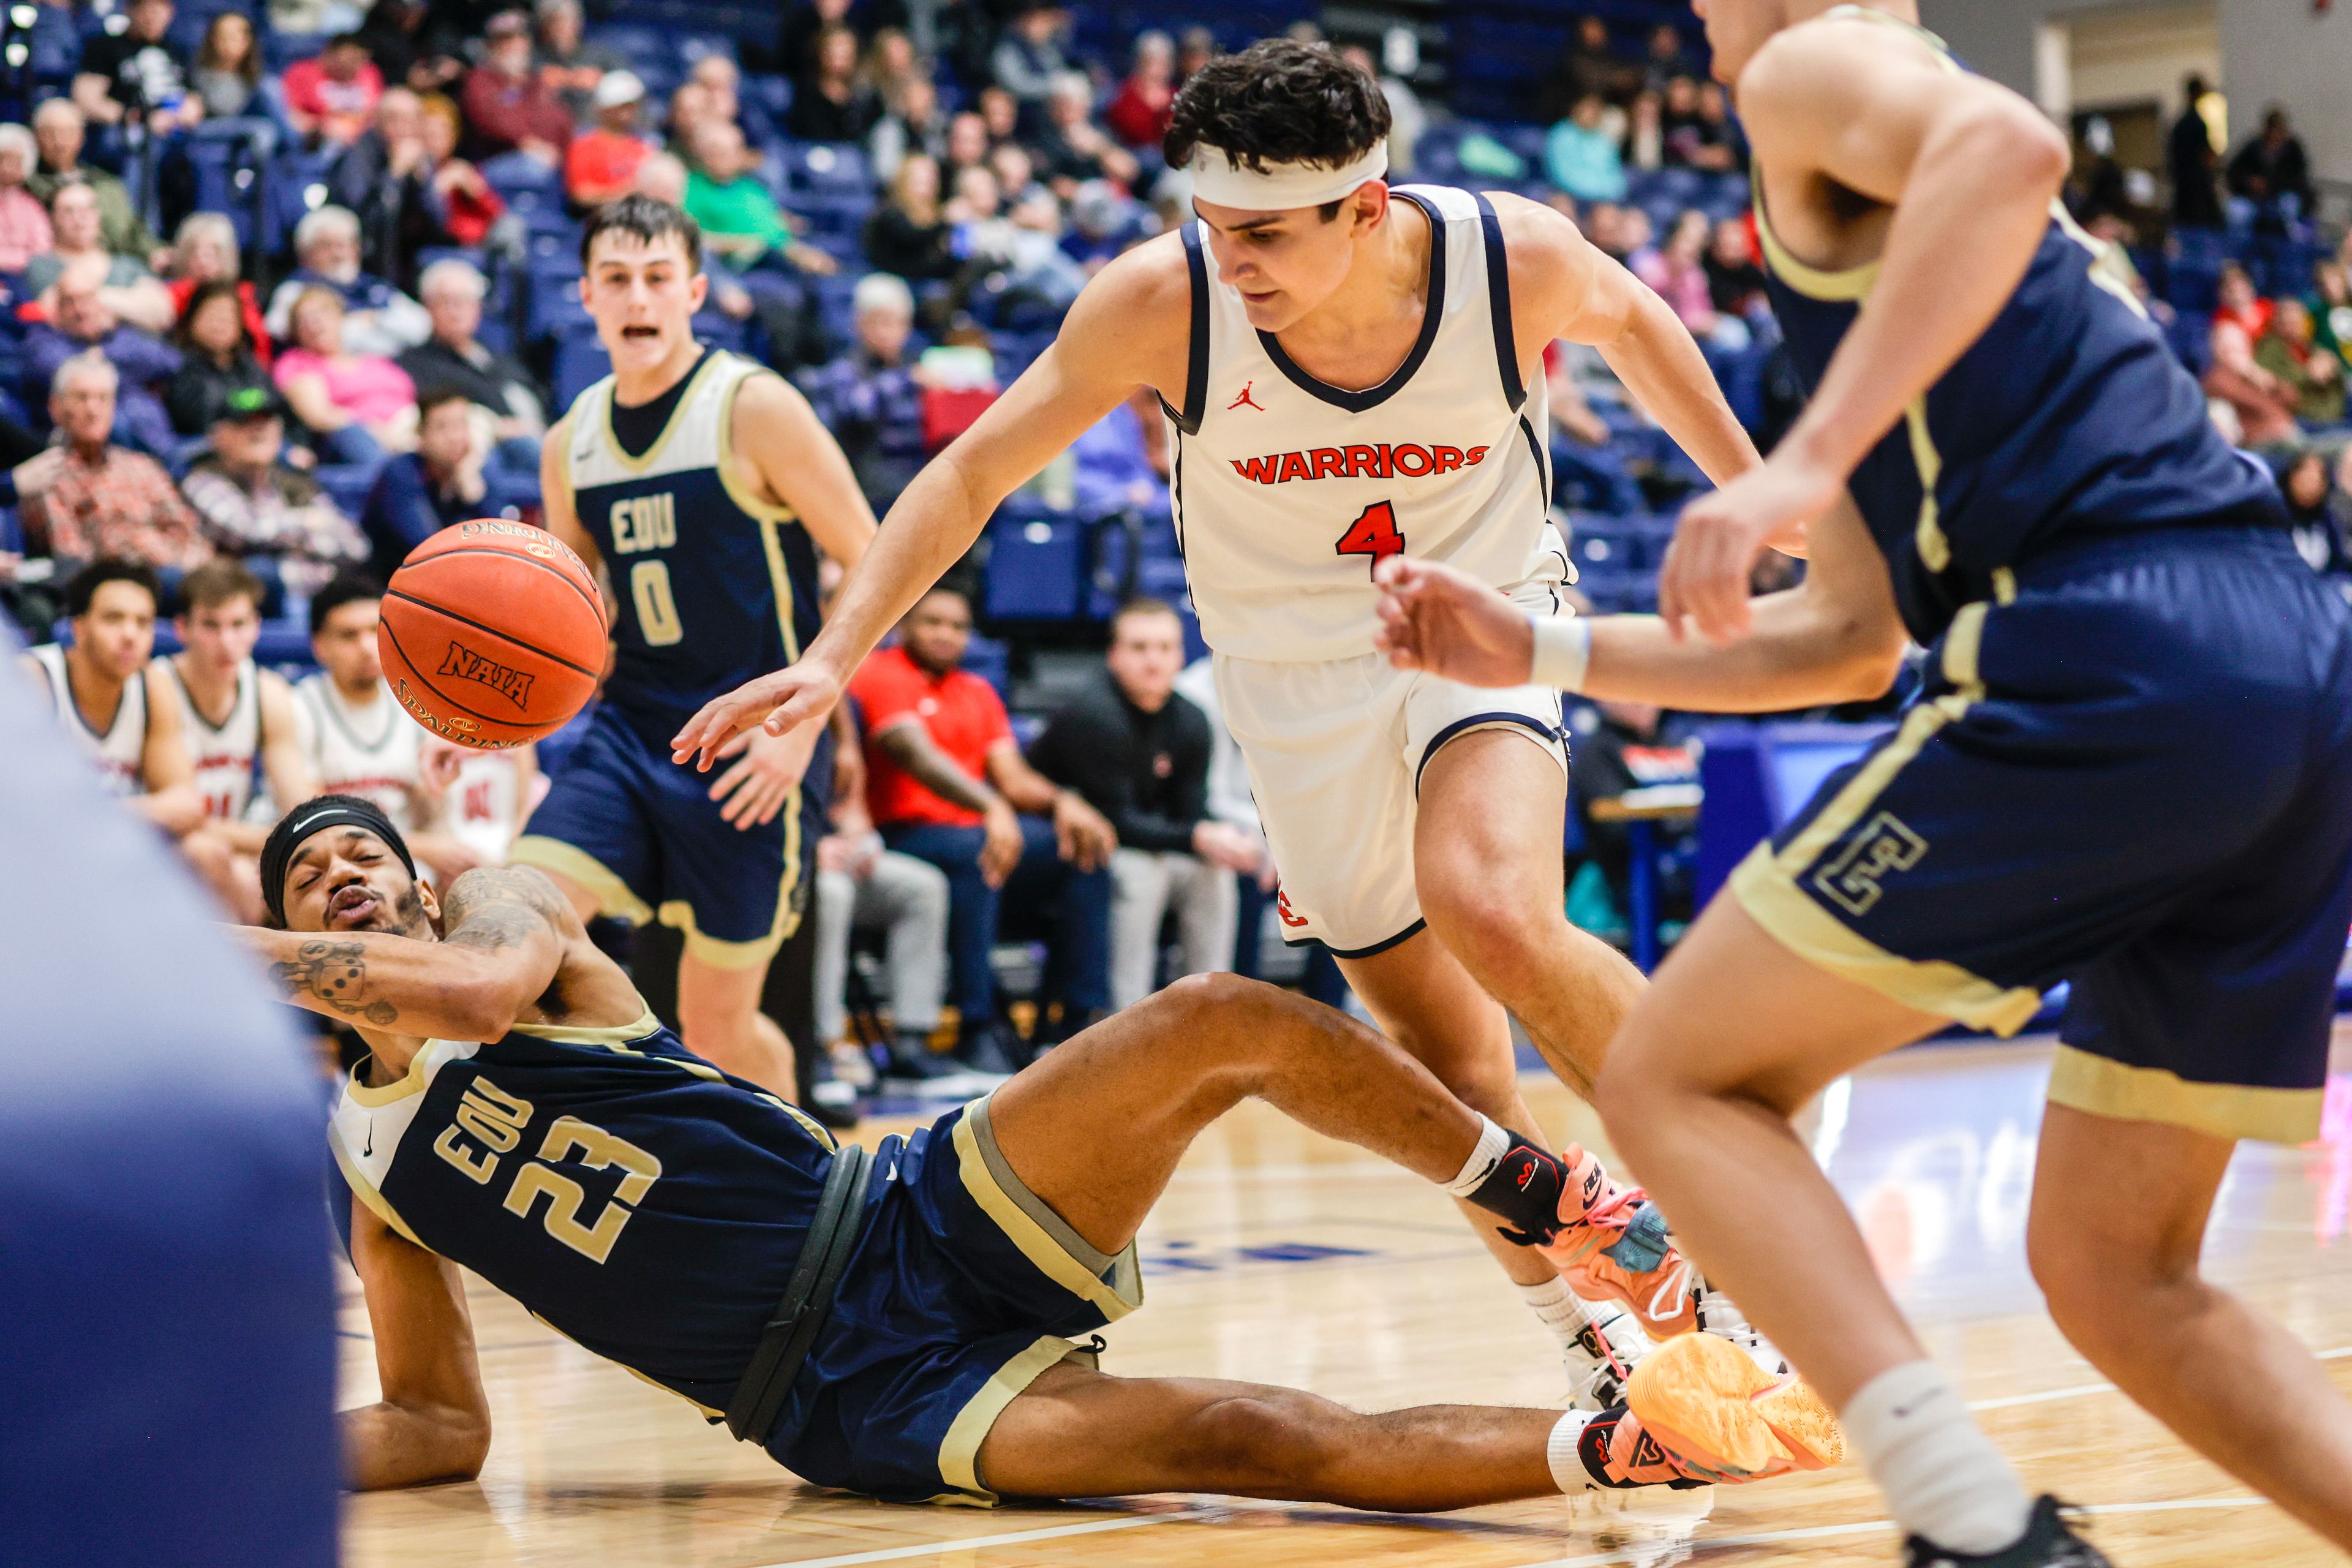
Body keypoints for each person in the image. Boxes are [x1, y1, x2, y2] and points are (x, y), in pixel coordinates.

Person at [1371, 4, 2352, 1564]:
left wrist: (1800, 457)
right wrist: (1533, 650)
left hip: (2111, 645)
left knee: (1675, 1075)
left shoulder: (1812, 68)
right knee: (2119, 1273)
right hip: (2284, 662)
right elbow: (1841, 638)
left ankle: (1970, 1525)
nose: (1694, 14)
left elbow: (2017, 143)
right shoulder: (1885, 179)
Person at [674, 38, 1764, 1401]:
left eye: (1260, 231)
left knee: (1489, 900)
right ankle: (1607, 1344)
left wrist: (1757, 490)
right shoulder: (1161, 300)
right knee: (1458, 1062)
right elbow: (972, 474)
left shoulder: (1510, 257)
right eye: (1208, 220)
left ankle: (1748, 1214)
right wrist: (836, 658)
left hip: (1477, 612)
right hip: (1289, 683)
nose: (1225, 253)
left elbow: (1641, 326)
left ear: (1366, 208)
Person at [240, 802, 1834, 1509]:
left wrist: (223, 935)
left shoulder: (510, 918)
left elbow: (482, 989)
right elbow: (441, 1425)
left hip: (903, 1219)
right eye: (311, 871)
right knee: (1245, 1436)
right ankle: (1645, 1445)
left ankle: (1565, 1206)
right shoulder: (370, 1158)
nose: (347, 875)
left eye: (365, 851)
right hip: (844, 1401)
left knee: (1224, 1014)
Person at [511, 195, 878, 1099]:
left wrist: (804, 725)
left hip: (752, 741)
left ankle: (806, 1189)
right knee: (510, 926)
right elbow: (578, 621)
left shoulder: (753, 407)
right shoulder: (572, 443)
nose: (639, 297)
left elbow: (875, 559)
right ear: (587, 297)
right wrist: (488, 716)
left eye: (657, 278)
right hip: (632, 734)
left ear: (695, 292)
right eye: (618, 280)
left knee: (718, 1030)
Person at [849, 587, 1117, 1071]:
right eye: (932, 622)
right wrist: (992, 806)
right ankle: (976, 1026)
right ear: (904, 625)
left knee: (1081, 850)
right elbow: (915, 755)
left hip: (976, 833)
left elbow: (1013, 777)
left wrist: (1065, 803)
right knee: (978, 852)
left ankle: (1076, 1019)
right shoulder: (881, 673)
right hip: (904, 832)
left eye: (957, 626)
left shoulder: (978, 690)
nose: (946, 634)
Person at [1028, 598, 1260, 1011]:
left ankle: (1211, 1012)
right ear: (1114, 655)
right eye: (1139, 648)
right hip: (1072, 850)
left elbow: (1191, 809)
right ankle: (1125, 1018)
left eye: (1164, 648)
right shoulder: (1094, 715)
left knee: (1213, 871)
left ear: (1180, 656)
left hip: (1143, 841)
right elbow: (1117, 820)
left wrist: (1215, 838)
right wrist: (1197, 835)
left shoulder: (1190, 718)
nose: (1153, 662)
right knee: (1142, 873)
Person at [153, 557, 317, 918]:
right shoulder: (157, 686)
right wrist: (269, 842)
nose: (227, 642)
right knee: (208, 854)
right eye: (211, 626)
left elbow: (298, 801)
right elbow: (180, 819)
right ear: (182, 629)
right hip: (163, 846)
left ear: (257, 626)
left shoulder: (268, 692)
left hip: (234, 845)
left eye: (238, 624)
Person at [291, 570, 475, 881]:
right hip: (328, 862)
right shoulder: (299, 707)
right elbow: (315, 825)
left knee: (470, 875)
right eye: (349, 635)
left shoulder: (415, 702)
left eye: (374, 631)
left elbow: (430, 819)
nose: (366, 647)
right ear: (320, 646)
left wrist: (440, 791)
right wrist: (422, 846)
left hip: (401, 854)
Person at [20, 557, 201, 831]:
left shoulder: (153, 686)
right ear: (78, 629)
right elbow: (27, 807)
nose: (130, 634)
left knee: (204, 851)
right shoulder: (33, 679)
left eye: (143, 622)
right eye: (114, 619)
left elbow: (187, 805)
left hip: (113, 847)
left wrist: (102, 812)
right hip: (41, 850)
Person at [811, 737, 953, 1083]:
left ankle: (911, 1040)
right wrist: (809, 850)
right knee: (832, 894)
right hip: (779, 859)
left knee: (922, 887)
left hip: (837, 857)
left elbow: (853, 804)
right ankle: (822, 1046)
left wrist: (861, 839)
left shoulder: (842, 714)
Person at [18, 350, 204, 570]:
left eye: (103, 399)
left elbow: (186, 530)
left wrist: (174, 555)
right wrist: (131, 548)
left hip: (174, 568)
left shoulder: (141, 465)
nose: (93, 410)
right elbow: (71, 560)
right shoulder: (46, 476)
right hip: (112, 580)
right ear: (56, 408)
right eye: (81, 398)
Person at [181, 387, 368, 587]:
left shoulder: (296, 483)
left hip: (318, 591)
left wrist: (299, 532)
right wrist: (309, 522)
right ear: (217, 435)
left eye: (267, 420)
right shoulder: (202, 481)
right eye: (243, 421)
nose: (259, 429)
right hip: (252, 597)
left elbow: (356, 547)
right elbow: (247, 533)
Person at [797, 272, 928, 511]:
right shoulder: (844, 370)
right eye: (877, 321)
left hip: (919, 487)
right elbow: (857, 408)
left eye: (896, 322)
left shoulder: (920, 366)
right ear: (859, 323)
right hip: (868, 494)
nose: (886, 332)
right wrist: (905, 380)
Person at [397, 258, 546, 440]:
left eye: (463, 301)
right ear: (427, 308)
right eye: (445, 302)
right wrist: (494, 426)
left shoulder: (500, 358)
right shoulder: (414, 363)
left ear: (478, 307)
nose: (455, 312)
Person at [265, 205, 432, 360]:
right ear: (306, 253)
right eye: (327, 246)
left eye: (344, 244)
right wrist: (362, 324)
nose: (338, 254)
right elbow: (280, 330)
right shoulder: (296, 289)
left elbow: (420, 327)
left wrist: (375, 319)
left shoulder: (373, 287)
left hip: (388, 369)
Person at [275, 285, 420, 461]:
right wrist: (375, 430)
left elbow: (413, 399)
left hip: (409, 428)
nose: (315, 323)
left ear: (341, 317)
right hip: (359, 439)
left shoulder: (375, 360)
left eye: (323, 313)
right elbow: (319, 415)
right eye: (304, 320)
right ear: (295, 331)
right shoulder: (298, 363)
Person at [356, 386, 481, 578]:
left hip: (448, 581)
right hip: (390, 586)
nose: (455, 437)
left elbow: (502, 540)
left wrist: (473, 493)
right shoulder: (400, 473)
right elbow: (426, 548)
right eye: (442, 428)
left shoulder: (472, 470)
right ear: (421, 435)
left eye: (461, 425)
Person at [28, 98, 166, 267]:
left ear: (81, 137)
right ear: (35, 138)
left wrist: (155, 252)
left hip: (119, 266)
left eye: (68, 132)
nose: (60, 142)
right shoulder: (27, 185)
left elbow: (134, 232)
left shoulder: (108, 183)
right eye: (50, 134)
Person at [28, 181, 176, 332]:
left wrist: (96, 297)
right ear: (53, 219)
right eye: (69, 211)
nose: (80, 219)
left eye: (88, 209)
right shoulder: (42, 265)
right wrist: (130, 302)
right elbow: (53, 310)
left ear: (98, 216)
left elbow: (162, 313)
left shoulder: (126, 264)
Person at [72, 0, 203, 138]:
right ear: (130, 10)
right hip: (129, 130)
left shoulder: (177, 50)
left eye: (158, 11)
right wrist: (140, 118)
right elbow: (87, 99)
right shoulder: (105, 47)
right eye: (146, 10)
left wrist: (186, 112)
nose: (151, 18)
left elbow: (193, 95)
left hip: (177, 125)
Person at [167, 278, 274, 436]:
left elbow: (275, 404)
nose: (219, 325)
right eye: (212, 315)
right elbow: (200, 417)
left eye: (226, 317)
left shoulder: (249, 365)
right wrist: (247, 406)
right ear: (192, 319)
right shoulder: (179, 365)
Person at [462, 10, 571, 165]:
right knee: (535, 168)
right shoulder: (479, 80)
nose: (513, 45)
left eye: (520, 37)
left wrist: (556, 148)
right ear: (490, 46)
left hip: (546, 156)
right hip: (498, 160)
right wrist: (528, 143)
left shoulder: (536, 82)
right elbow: (492, 120)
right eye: (505, 40)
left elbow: (558, 120)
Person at [165, 212, 271, 364]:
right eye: (195, 252)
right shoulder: (168, 296)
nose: (203, 262)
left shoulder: (244, 297)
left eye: (212, 252)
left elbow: (261, 352)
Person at [1028, 72, 1139, 200]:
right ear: (1052, 106)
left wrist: (1099, 149)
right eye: (1065, 103)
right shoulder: (1043, 136)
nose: (1072, 109)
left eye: (1079, 103)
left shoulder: (1099, 132)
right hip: (1073, 205)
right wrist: (1089, 194)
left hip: (1110, 201)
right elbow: (1054, 184)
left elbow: (1129, 172)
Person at [862, 153, 957, 284]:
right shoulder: (889, 214)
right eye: (920, 180)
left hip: (927, 284)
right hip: (889, 282)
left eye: (931, 179)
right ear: (904, 180)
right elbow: (910, 238)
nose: (928, 185)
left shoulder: (937, 214)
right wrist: (946, 223)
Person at [563, 69, 652, 209]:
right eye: (622, 106)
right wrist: (626, 193)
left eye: (632, 105)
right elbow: (581, 194)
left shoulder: (645, 145)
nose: (628, 111)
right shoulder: (584, 146)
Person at [2253, 296, 2345, 427]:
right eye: (2288, 323)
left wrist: (2332, 365)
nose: (2294, 327)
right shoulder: (2269, 348)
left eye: (2298, 322)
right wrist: (2310, 375)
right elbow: (2275, 385)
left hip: (2333, 413)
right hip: (2303, 419)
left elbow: (2335, 373)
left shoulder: (2310, 345)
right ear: (2277, 323)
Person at [283, 33, 385, 146]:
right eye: (349, 60)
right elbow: (293, 114)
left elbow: (375, 112)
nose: (353, 67)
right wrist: (322, 126)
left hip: (362, 138)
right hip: (321, 139)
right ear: (329, 55)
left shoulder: (369, 73)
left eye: (359, 60)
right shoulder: (302, 73)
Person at [2228, 107, 2313, 231]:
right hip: (2253, 199)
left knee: (2290, 207)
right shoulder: (2254, 147)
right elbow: (2234, 172)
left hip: (2282, 197)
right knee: (2237, 212)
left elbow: (2299, 179)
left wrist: (2272, 185)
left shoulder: (2293, 150)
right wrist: (2249, 181)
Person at [788, 24, 876, 144]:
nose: (841, 54)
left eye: (846, 51)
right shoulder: (806, 92)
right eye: (835, 48)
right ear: (821, 53)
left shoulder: (865, 97)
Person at [1547, 94, 1628, 205]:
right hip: (1569, 195)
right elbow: (1561, 175)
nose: (1592, 114)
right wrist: (1596, 193)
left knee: (1624, 218)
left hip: (1601, 200)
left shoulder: (1603, 140)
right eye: (1588, 109)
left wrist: (1606, 195)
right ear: (1576, 109)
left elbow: (1616, 177)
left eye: (1596, 111)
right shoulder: (1560, 136)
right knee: (1562, 207)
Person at [2168, 72, 2225, 230]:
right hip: (2197, 186)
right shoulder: (2195, 123)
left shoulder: (2180, 124)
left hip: (2184, 185)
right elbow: (2204, 154)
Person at [1104, 29, 1176, 151]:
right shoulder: (1122, 95)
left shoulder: (1178, 98)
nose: (1155, 69)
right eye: (1149, 62)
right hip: (1128, 155)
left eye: (1161, 63)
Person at [0, 123, 55, 273]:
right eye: (3, 158)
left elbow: (42, 250)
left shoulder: (31, 205)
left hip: (25, 277)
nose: (8, 166)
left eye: (16, 160)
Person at [190, 10, 264, 120]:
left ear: (248, 42)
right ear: (212, 40)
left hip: (247, 124)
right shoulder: (200, 75)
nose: (227, 44)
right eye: (222, 37)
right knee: (263, 129)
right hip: (214, 126)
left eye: (234, 38)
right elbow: (219, 111)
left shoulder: (256, 76)